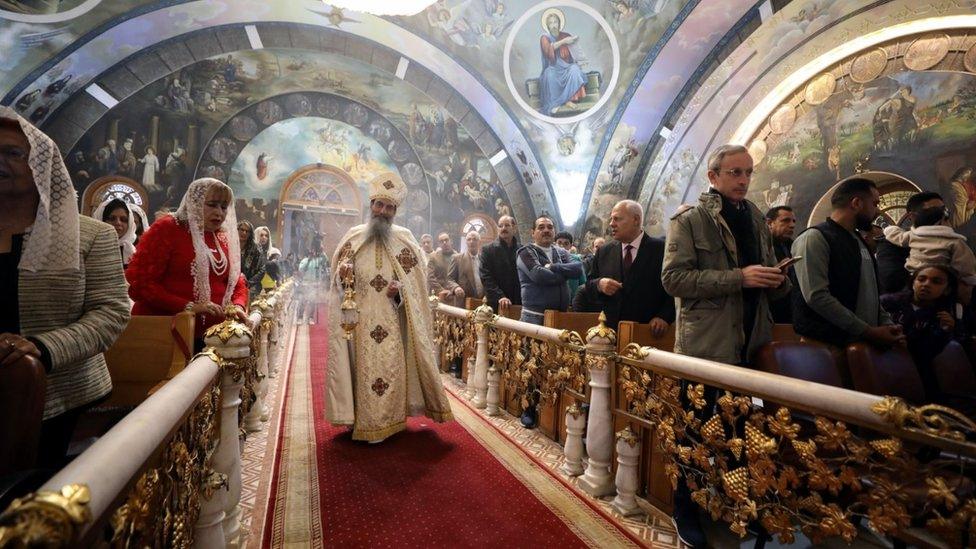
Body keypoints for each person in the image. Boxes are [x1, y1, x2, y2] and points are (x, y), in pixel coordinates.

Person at [662, 144, 789, 549]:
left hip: (749, 341)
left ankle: (736, 506)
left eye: (749, 172)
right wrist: (740, 278)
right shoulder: (691, 220)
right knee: (693, 434)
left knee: (739, 433)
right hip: (705, 347)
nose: (744, 180)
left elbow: (759, 274)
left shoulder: (754, 217)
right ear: (713, 176)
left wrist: (775, 280)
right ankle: (686, 510)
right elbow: (674, 280)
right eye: (735, 172)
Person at [0, 108, 130, 468]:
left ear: (41, 165)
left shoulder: (92, 235)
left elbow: (111, 313)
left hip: (61, 391)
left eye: (13, 154)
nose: (1, 163)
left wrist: (41, 347)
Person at [326, 172, 453, 443]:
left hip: (391, 321)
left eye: (390, 207)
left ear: (396, 211)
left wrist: (400, 290)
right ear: (371, 205)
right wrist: (343, 274)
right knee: (359, 370)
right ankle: (358, 419)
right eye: (379, 205)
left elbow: (416, 286)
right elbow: (337, 281)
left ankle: (389, 422)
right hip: (358, 322)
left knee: (387, 371)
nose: (383, 212)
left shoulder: (405, 240)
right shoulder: (353, 238)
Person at [127, 178, 249, 351]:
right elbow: (141, 283)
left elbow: (236, 282)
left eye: (224, 207)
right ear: (195, 202)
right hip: (166, 331)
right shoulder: (168, 228)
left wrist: (237, 306)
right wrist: (189, 306)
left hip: (213, 336)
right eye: (212, 204)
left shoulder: (222, 237)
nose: (219, 213)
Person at [792, 177, 903, 354]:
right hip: (825, 348)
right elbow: (817, 296)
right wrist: (868, 331)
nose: (878, 211)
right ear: (857, 203)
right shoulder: (814, 238)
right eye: (874, 204)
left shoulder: (859, 240)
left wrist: (887, 325)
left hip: (861, 345)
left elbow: (870, 294)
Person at [581, 200, 674, 330]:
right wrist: (599, 284)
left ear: (636, 220)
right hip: (610, 331)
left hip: (647, 331)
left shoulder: (661, 250)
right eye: (611, 219)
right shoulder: (604, 251)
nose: (611, 224)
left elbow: (674, 288)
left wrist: (664, 316)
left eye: (617, 219)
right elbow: (589, 284)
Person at [881, 265, 968, 402]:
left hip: (917, 373)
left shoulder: (943, 316)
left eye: (936, 282)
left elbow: (925, 353)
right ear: (913, 282)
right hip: (883, 364)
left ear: (947, 289)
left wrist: (944, 331)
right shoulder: (888, 303)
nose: (926, 285)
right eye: (921, 279)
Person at [882, 205, 976, 286]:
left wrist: (889, 229)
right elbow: (965, 267)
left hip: (914, 280)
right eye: (948, 221)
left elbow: (897, 236)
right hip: (941, 282)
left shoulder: (913, 235)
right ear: (941, 222)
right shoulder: (954, 242)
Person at [516, 216, 583, 325]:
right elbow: (539, 275)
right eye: (541, 227)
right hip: (535, 317)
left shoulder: (561, 252)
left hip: (561, 316)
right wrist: (566, 274)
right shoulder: (525, 252)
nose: (546, 230)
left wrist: (553, 267)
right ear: (533, 232)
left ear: (554, 231)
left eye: (550, 227)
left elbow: (578, 269)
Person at [876, 191, 946, 293]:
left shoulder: (949, 241)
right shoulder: (891, 244)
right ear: (913, 216)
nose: (941, 216)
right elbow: (891, 282)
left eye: (943, 211)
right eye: (934, 212)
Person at [538, 8, 586, 115]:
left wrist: (581, 60)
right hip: (553, 67)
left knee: (575, 69)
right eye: (551, 23)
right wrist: (564, 41)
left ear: (559, 23)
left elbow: (575, 52)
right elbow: (548, 50)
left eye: (555, 22)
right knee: (549, 74)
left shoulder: (566, 35)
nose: (553, 25)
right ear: (547, 25)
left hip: (566, 67)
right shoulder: (544, 38)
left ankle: (568, 100)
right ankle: (555, 103)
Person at [480, 215, 521, 311]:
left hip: (518, 302)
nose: (503, 228)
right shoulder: (487, 250)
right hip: (496, 302)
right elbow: (485, 277)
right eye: (500, 226)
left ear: (514, 228)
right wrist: (500, 296)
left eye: (507, 225)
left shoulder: (522, 250)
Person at [765, 205, 797, 323]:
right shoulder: (760, 249)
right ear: (769, 223)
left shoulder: (794, 247)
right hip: (771, 316)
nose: (792, 225)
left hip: (792, 313)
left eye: (793, 221)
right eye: (785, 220)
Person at [92, 197, 137, 267]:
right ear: (101, 220)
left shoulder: (133, 252)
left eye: (123, 219)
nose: (118, 223)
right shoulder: (91, 249)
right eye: (112, 218)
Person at [296, 236, 329, 324]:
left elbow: (326, 260)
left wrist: (322, 251)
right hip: (305, 283)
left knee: (313, 301)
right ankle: (300, 317)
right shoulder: (305, 260)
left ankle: (311, 317)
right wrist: (309, 259)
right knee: (303, 300)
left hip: (315, 284)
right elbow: (301, 269)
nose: (314, 252)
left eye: (315, 251)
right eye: (312, 251)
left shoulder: (319, 259)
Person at [428, 232, 464, 307]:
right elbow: (430, 277)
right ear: (439, 244)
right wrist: (442, 291)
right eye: (441, 241)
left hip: (454, 296)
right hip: (438, 296)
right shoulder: (433, 257)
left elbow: (460, 277)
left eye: (446, 240)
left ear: (451, 241)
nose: (444, 243)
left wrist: (454, 289)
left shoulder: (459, 257)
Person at [450, 230, 484, 301]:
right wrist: (456, 287)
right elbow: (449, 279)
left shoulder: (484, 259)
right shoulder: (457, 258)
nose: (471, 242)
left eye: (475, 239)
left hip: (482, 302)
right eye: (469, 239)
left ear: (479, 242)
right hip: (464, 301)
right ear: (466, 242)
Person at [554, 231, 586, 304]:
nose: (562, 246)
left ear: (570, 246)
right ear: (554, 244)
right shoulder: (550, 259)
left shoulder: (576, 260)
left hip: (572, 302)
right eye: (559, 243)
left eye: (566, 243)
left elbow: (582, 283)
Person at [237, 221, 266, 298]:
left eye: (247, 231)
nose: (244, 232)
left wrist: (249, 283)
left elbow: (262, 270)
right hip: (232, 285)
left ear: (250, 234)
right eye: (242, 230)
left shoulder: (256, 248)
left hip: (250, 286)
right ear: (237, 230)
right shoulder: (229, 245)